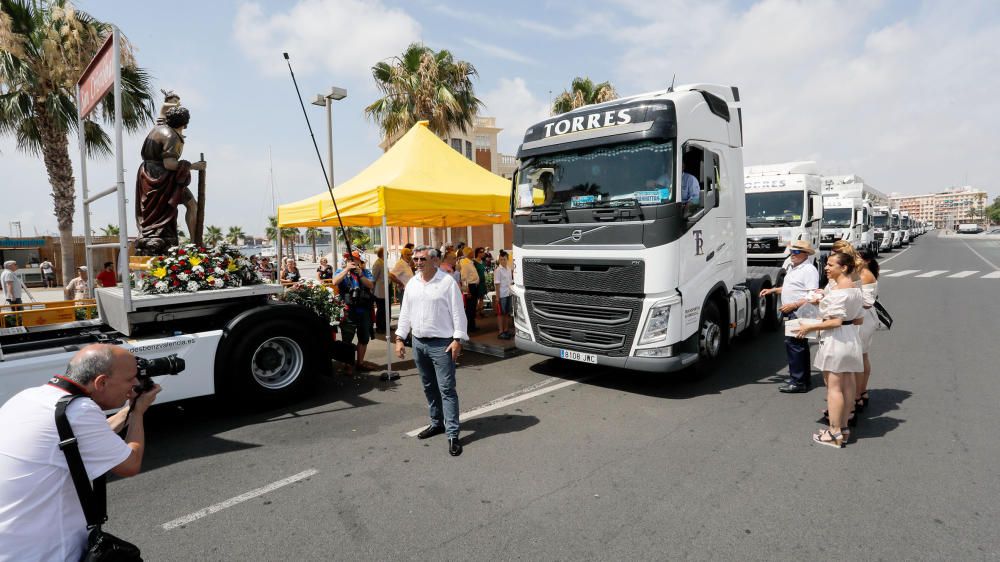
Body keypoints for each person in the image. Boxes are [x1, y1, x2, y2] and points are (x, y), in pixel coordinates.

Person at [0, 344, 161, 561]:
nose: (135, 384)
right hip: (47, 552)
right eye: (131, 378)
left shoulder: (31, 397)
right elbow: (130, 464)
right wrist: (138, 414)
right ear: (101, 382)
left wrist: (128, 410)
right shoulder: (79, 411)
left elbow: (80, 439)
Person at [394, 246, 467, 457]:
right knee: (428, 387)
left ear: (434, 261)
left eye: (421, 259)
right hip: (419, 343)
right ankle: (437, 423)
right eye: (415, 259)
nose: (417, 262)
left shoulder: (446, 283)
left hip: (442, 344)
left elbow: (458, 313)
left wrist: (457, 339)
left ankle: (453, 434)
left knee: (446, 389)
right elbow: (406, 313)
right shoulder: (413, 283)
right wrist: (400, 338)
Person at [795, 252, 864, 448]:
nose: (826, 267)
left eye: (831, 265)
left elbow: (835, 321)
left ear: (843, 268)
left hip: (836, 340)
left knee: (834, 388)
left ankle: (834, 433)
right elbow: (858, 319)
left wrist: (809, 327)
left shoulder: (838, 291)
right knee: (848, 385)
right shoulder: (855, 289)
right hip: (851, 338)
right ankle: (843, 429)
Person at [134, 103, 206, 255]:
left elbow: (161, 113)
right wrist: (194, 166)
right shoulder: (172, 136)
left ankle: (191, 242)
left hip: (146, 173)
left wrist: (170, 102)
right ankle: (195, 243)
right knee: (192, 205)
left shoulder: (158, 128)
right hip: (162, 177)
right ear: (185, 124)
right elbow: (169, 164)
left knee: (155, 212)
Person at [759, 239, 819, 393]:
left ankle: (798, 381)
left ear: (805, 254)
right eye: (792, 251)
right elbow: (789, 288)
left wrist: (793, 305)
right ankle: (802, 379)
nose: (793, 254)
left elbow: (813, 295)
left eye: (797, 252)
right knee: (799, 346)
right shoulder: (794, 267)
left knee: (795, 346)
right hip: (794, 312)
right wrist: (772, 290)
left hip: (800, 312)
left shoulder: (809, 270)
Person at [333, 251, 376, 371]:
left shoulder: (366, 272)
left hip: (364, 310)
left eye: (353, 259)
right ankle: (348, 365)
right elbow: (335, 282)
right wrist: (346, 270)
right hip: (348, 310)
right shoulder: (341, 271)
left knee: (364, 338)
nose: (350, 261)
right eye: (347, 260)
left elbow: (371, 285)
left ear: (359, 261)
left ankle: (360, 363)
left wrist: (361, 275)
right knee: (347, 339)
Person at [855, 247, 880, 413]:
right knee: (862, 356)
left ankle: (858, 394)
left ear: (867, 261)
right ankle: (861, 392)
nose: (854, 259)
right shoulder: (863, 273)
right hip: (864, 318)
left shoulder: (864, 275)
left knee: (858, 357)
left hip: (863, 318)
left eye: (858, 257)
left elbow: (865, 301)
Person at [459, 247, 481, 332]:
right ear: (468, 253)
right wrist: (466, 292)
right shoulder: (465, 263)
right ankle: (469, 327)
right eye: (471, 252)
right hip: (470, 287)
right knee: (469, 309)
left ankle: (472, 325)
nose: (473, 253)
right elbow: (464, 278)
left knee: (472, 308)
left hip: (474, 286)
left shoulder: (470, 262)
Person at [493, 251, 513, 339]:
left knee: (507, 313)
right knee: (500, 314)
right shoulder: (498, 270)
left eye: (504, 259)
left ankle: (506, 330)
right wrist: (497, 297)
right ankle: (501, 332)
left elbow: (510, 282)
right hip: (502, 295)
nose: (502, 261)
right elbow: (497, 284)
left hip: (508, 293)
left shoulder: (509, 269)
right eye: (501, 259)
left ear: (507, 259)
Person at [371, 248, 388, 333]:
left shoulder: (383, 262)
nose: (388, 255)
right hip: (379, 291)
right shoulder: (378, 263)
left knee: (384, 309)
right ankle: (379, 327)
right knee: (381, 309)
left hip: (384, 290)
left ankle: (384, 326)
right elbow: (373, 278)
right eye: (386, 253)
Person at [473, 247, 488, 318]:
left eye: (483, 251)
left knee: (482, 298)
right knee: (477, 298)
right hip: (477, 283)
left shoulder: (483, 261)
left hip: (483, 282)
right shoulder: (474, 262)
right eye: (481, 252)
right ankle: (477, 313)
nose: (483, 253)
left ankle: (481, 312)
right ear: (477, 253)